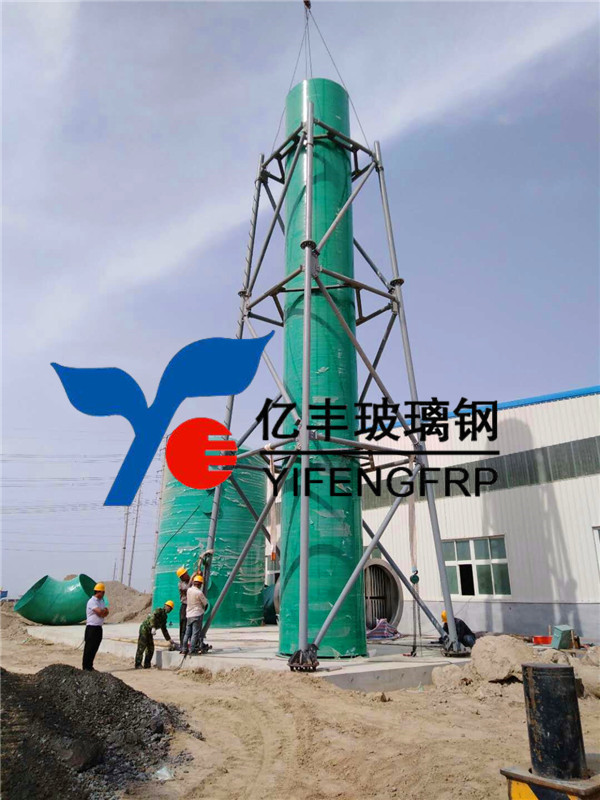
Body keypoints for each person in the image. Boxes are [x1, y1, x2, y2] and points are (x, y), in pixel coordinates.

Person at [135, 600, 175, 669]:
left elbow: (164, 629)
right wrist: (153, 627)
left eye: (171, 609)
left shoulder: (164, 617)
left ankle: (147, 664)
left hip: (150, 632)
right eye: (169, 608)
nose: (169, 610)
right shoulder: (159, 610)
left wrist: (169, 639)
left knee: (150, 648)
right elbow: (152, 617)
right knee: (141, 647)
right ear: (166, 606)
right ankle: (138, 664)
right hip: (145, 629)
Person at [83, 582, 109, 671]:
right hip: (91, 628)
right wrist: (103, 612)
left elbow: (106, 612)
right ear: (98, 592)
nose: (103, 594)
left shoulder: (101, 601)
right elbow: (100, 612)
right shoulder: (92, 601)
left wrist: (103, 612)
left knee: (95, 647)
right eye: (103, 592)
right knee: (89, 648)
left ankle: (90, 666)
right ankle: (86, 667)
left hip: (98, 627)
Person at [180, 574, 208, 655]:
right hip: (197, 614)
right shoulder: (199, 593)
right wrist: (203, 610)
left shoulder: (189, 590)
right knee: (195, 633)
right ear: (200, 584)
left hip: (189, 614)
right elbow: (205, 603)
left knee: (187, 633)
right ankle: (192, 649)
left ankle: (184, 649)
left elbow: (188, 586)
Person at [176, 566, 192, 645]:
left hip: (192, 606)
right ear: (182, 577)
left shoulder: (191, 581)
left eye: (187, 573)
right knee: (183, 626)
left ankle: (192, 643)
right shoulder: (181, 584)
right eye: (185, 574)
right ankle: (183, 644)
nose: (187, 574)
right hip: (184, 606)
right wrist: (193, 577)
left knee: (192, 626)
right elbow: (188, 588)